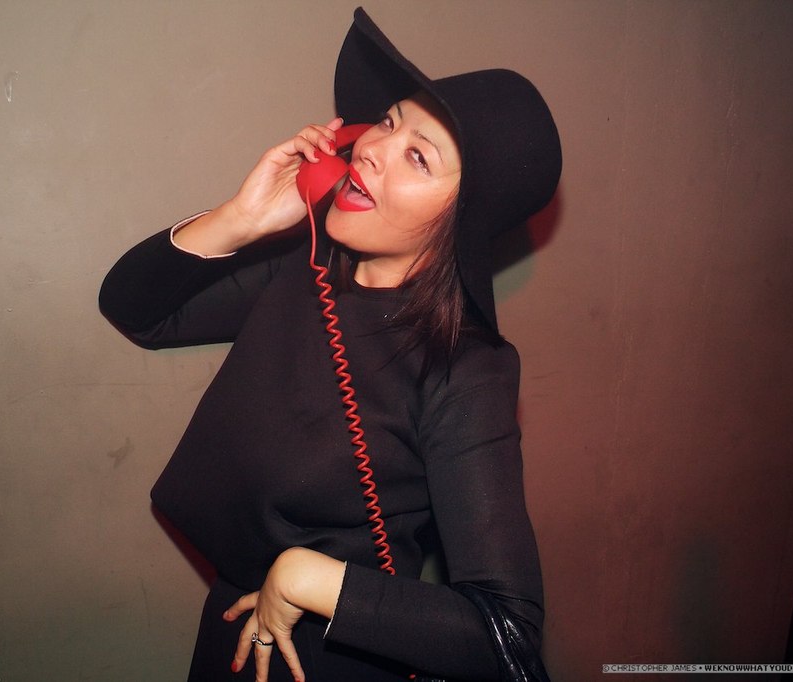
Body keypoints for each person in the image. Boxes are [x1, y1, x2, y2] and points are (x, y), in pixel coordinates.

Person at [99, 8, 561, 681]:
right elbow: (135, 309)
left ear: (458, 221)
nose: (372, 147)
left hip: (334, 651)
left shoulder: (466, 369)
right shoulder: (307, 268)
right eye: (388, 123)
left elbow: (507, 636)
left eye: (418, 155)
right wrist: (242, 219)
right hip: (236, 631)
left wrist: (309, 578)